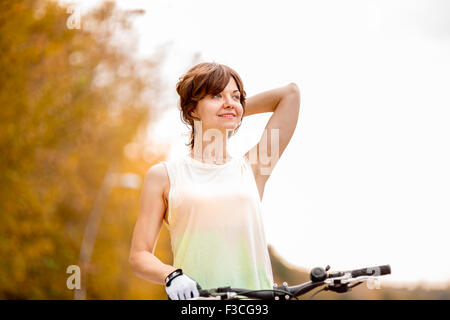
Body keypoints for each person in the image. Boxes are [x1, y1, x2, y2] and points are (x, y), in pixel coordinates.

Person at [129, 62, 300, 300]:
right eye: (216, 95)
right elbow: (139, 255)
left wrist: (230, 110)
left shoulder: (255, 167)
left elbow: (290, 94)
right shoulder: (164, 176)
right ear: (191, 109)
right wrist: (171, 275)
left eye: (236, 96)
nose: (229, 101)